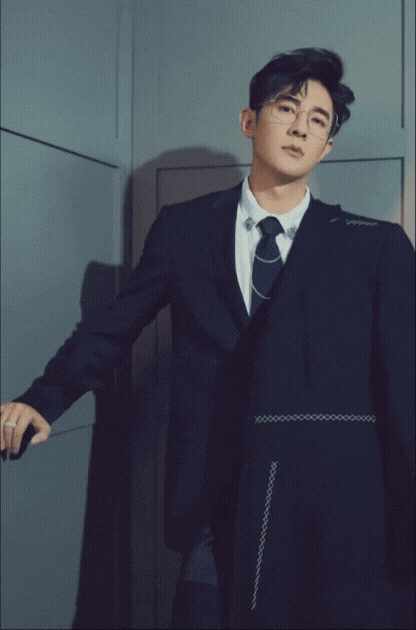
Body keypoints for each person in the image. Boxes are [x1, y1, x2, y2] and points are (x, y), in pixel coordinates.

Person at [1, 48, 414, 629]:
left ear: (327, 146)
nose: (300, 127)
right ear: (249, 120)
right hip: (214, 498)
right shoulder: (185, 228)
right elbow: (116, 324)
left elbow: (404, 392)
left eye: (318, 120)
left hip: (326, 504)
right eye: (286, 107)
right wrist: (44, 398)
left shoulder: (374, 248)